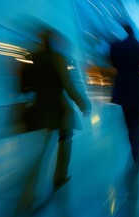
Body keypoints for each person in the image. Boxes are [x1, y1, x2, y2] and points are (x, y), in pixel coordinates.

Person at [28, 28, 92, 190]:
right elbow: (67, 84)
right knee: (65, 138)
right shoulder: (58, 58)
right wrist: (82, 103)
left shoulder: (33, 57)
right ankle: (59, 176)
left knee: (44, 145)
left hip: (40, 105)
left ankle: (32, 184)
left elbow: (26, 86)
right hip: (59, 106)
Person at [109, 24, 139, 164]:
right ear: (134, 33)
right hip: (138, 88)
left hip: (123, 88)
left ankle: (134, 151)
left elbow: (114, 64)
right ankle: (137, 153)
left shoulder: (116, 47)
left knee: (130, 124)